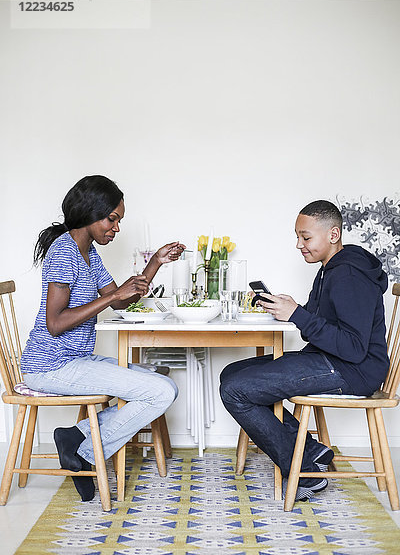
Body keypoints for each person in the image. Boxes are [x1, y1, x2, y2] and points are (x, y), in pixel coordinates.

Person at [21, 175, 185, 501]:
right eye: (112, 219)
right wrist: (110, 299)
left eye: (118, 220)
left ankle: (76, 438)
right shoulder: (64, 252)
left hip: (76, 360)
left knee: (161, 383)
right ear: (89, 212)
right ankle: (85, 453)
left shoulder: (88, 253)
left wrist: (155, 263)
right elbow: (55, 323)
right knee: (160, 392)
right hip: (50, 366)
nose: (116, 228)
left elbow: (122, 298)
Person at [220, 200, 389, 501]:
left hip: (353, 371)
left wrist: (298, 313)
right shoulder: (329, 270)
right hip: (329, 360)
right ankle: (311, 449)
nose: (299, 244)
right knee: (232, 372)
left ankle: (304, 471)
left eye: (306, 237)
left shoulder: (349, 275)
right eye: (297, 236)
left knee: (235, 389)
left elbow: (353, 347)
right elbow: (317, 319)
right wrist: (283, 307)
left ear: (333, 235)